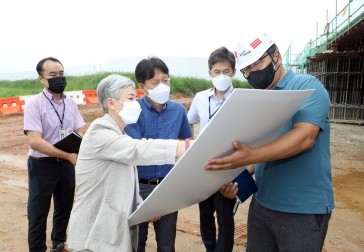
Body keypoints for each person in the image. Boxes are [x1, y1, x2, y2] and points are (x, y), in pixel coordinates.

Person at [205, 32, 334, 252]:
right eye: (246, 69)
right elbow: (256, 154)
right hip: (262, 206)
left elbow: (304, 138)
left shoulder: (307, 87)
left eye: (257, 63)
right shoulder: (258, 98)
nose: (252, 72)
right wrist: (235, 183)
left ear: (277, 56)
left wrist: (251, 155)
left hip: (301, 210)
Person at [67, 74, 192, 252]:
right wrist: (185, 146)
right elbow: (139, 150)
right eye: (131, 98)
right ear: (111, 103)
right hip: (94, 234)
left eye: (136, 97)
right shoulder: (99, 131)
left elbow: (125, 182)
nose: (136, 103)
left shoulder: (120, 135)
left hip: (107, 231)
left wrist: (143, 208)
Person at [124, 57, 192, 252]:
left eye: (165, 80)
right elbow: (136, 150)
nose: (162, 86)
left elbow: (185, 143)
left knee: (167, 244)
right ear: (142, 87)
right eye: (155, 82)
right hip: (139, 187)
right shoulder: (134, 111)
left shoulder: (179, 111)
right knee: (137, 243)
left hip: (167, 186)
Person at [23, 57, 86, 252]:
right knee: (38, 212)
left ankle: (58, 244)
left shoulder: (71, 103)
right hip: (42, 165)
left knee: (64, 208)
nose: (59, 78)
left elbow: (81, 130)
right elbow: (35, 141)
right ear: (42, 79)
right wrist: (68, 155)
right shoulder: (34, 104)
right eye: (53, 75)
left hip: (66, 164)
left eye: (61, 74)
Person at [187, 46, 237, 252]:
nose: (221, 76)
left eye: (226, 71)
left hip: (229, 166)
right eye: (216, 72)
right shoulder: (200, 97)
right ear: (209, 73)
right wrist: (191, 145)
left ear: (234, 72)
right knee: (205, 213)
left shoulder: (240, 98)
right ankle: (210, 248)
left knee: (225, 216)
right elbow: (188, 123)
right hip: (204, 166)